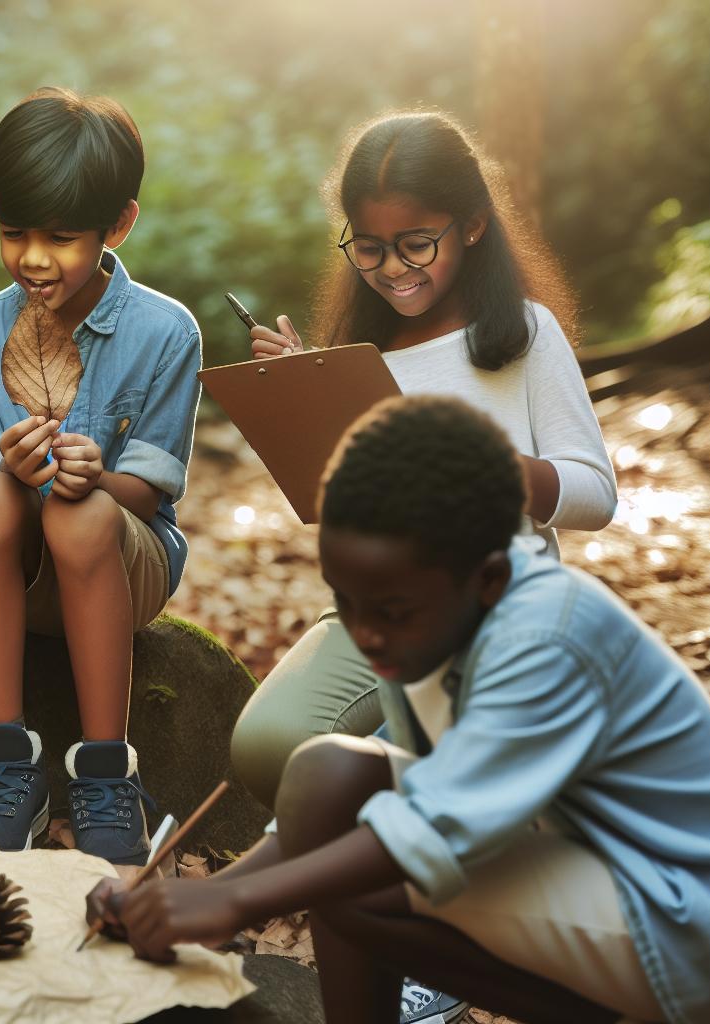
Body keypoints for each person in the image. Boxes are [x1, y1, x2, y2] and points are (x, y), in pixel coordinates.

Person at [90, 395, 710, 1024]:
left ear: (489, 578)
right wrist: (212, 902)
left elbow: (430, 833)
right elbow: (367, 797)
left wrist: (235, 900)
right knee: (327, 773)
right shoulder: (431, 620)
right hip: (593, 864)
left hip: (686, 926)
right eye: (347, 601)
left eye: (388, 611)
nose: (365, 635)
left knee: (365, 888)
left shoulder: (545, 634)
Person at [232, 111, 618, 810]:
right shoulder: (361, 356)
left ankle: (450, 802)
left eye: (415, 244)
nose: (392, 270)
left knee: (370, 768)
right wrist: (305, 393)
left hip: (495, 610)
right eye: (370, 249)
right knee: (266, 746)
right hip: (378, 605)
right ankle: (423, 794)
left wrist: (483, 464)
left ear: (471, 224)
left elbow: (595, 494)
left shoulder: (524, 335)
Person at [0, 88, 201, 865]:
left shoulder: (166, 332)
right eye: (13, 232)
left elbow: (148, 493)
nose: (33, 258)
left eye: (61, 237)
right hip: (25, 575)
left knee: (80, 512)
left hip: (122, 561)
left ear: (117, 225)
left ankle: (103, 771)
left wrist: (89, 477)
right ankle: (5, 762)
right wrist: (18, 472)